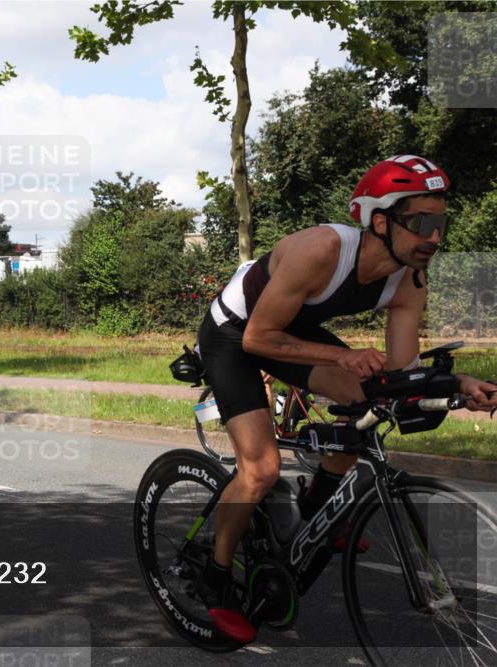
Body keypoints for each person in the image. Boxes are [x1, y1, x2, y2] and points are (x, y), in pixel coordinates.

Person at [194, 155, 497, 643]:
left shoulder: (410, 278)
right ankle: (213, 570)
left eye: (440, 223)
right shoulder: (321, 250)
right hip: (236, 333)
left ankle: (317, 509)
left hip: (290, 328)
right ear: (380, 221)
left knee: (372, 399)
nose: (435, 237)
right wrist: (346, 355)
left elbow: (402, 375)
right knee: (261, 469)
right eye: (421, 223)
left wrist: (459, 386)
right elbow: (257, 339)